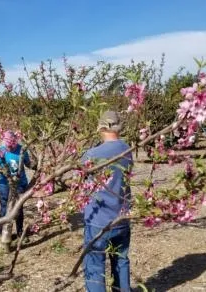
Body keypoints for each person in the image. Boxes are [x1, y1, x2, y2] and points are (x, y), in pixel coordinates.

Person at [81, 111, 134, 292]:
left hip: (98, 220)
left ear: (101, 127)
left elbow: (79, 180)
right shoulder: (127, 150)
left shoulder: (91, 154)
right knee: (121, 261)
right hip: (121, 217)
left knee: (95, 265)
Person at [0, 130, 33, 239]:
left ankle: (20, 232)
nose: (10, 146)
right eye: (8, 143)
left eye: (12, 143)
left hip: (20, 184)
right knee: (4, 207)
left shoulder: (21, 150)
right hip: (4, 183)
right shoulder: (0, 151)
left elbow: (28, 163)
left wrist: (38, 167)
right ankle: (3, 233)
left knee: (18, 208)